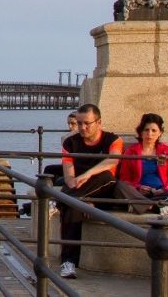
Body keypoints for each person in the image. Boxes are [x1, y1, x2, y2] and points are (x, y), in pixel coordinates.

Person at [58, 103, 123, 280]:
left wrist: (87, 174)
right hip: (78, 190)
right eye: (79, 123)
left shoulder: (113, 140)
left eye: (87, 123)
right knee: (74, 205)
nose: (82, 127)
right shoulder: (70, 143)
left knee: (105, 177)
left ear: (99, 122)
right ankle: (68, 263)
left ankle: (60, 201)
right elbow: (69, 176)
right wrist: (78, 189)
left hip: (103, 188)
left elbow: (113, 162)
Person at [115, 113, 168, 213]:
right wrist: (138, 187)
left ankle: (142, 206)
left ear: (160, 133)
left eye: (154, 130)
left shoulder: (167, 151)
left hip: (161, 192)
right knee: (119, 186)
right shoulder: (131, 152)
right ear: (141, 132)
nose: (149, 134)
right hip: (140, 193)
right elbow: (125, 178)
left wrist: (164, 189)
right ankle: (159, 207)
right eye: (146, 130)